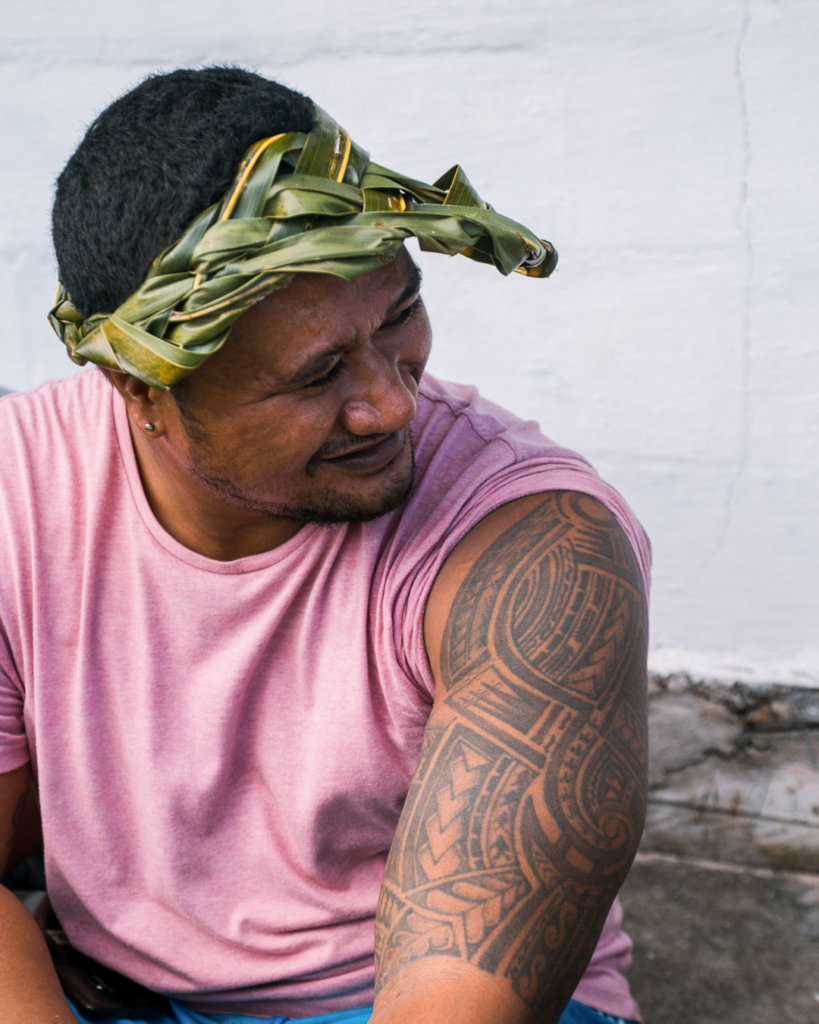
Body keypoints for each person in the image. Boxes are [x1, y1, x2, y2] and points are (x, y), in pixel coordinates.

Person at [0, 68, 650, 1024]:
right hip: (117, 995)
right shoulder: (21, 494)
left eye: (398, 318)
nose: (390, 402)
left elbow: (450, 1010)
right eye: (316, 376)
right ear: (142, 392)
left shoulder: (536, 552)